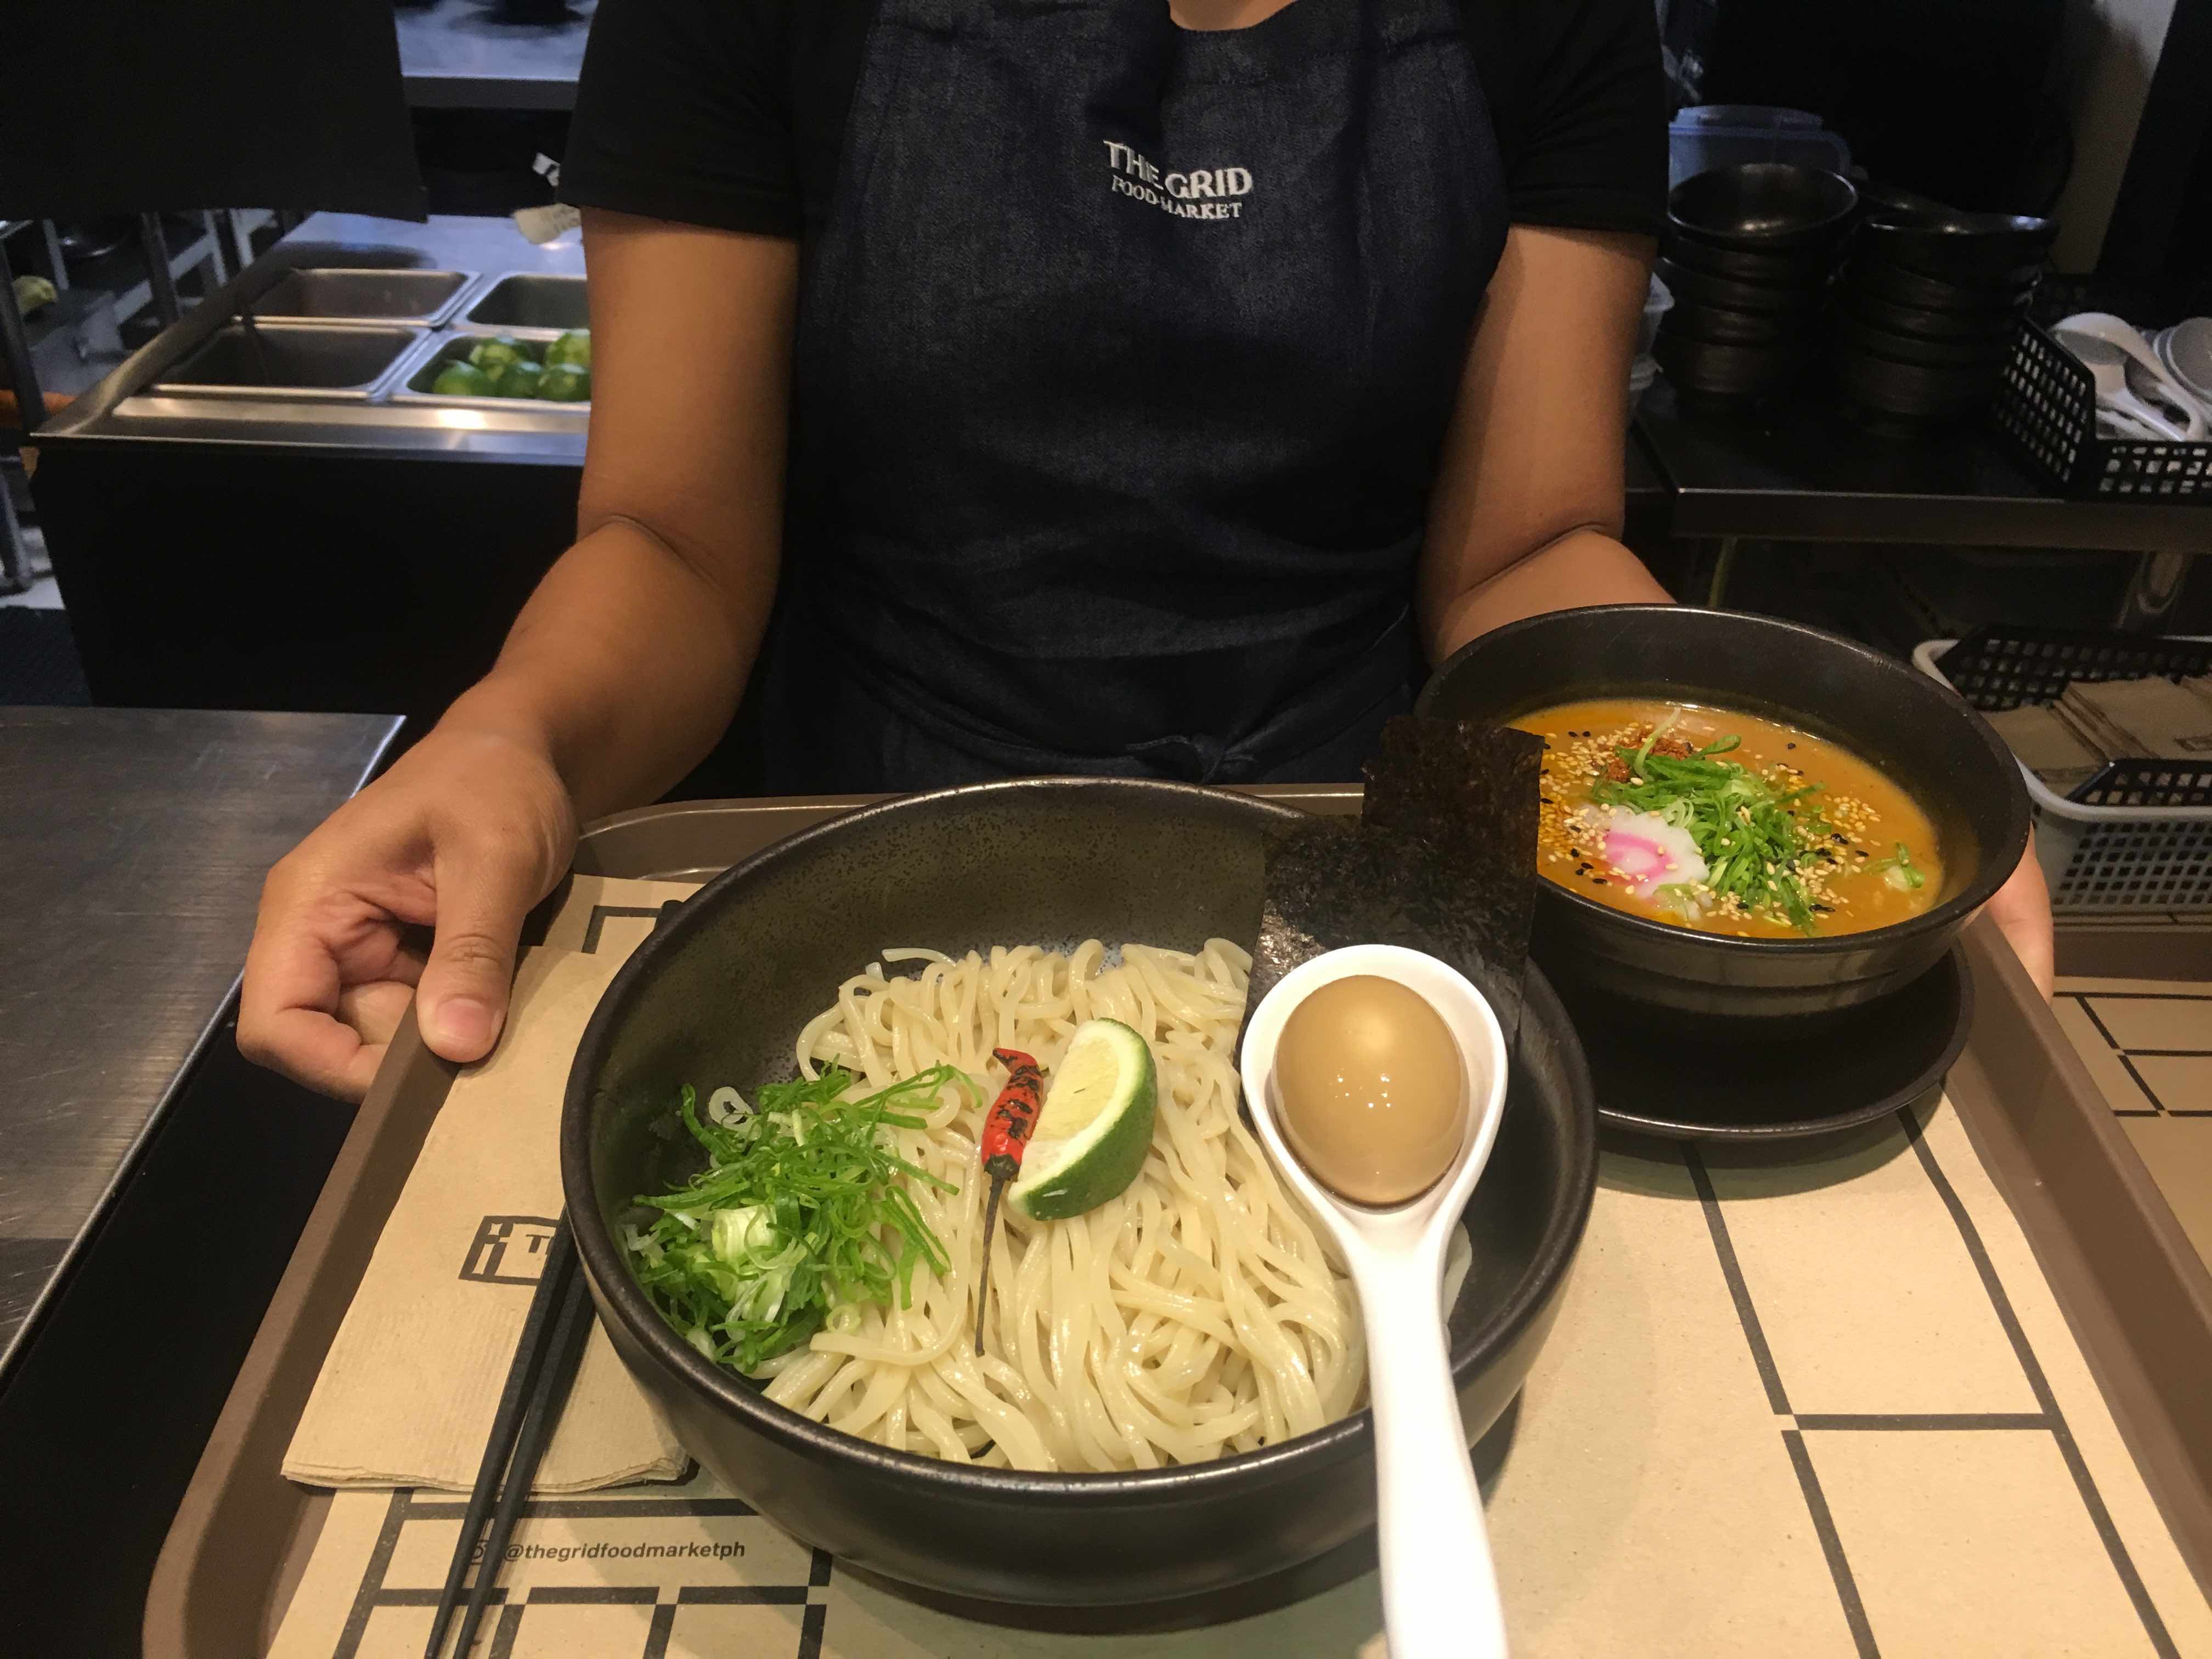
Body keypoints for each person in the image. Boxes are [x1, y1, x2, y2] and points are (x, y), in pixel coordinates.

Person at [239, 0, 2052, 1099]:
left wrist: (1763, 788)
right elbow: (674, 546)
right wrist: (512, 740)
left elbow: (1526, 554)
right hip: (877, 862)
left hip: (1357, 876)